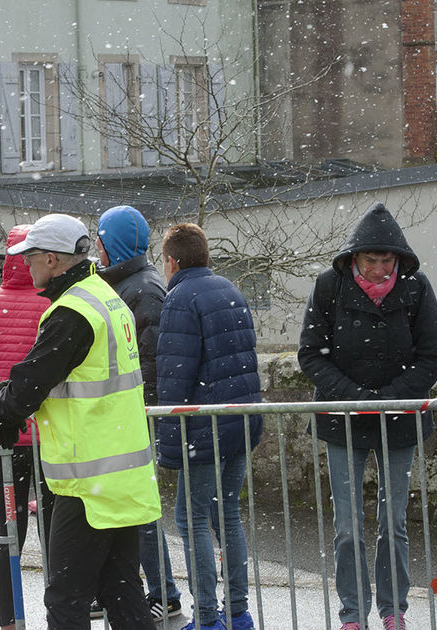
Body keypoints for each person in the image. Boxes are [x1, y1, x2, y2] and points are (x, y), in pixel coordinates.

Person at [0, 212, 161, 629]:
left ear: (52, 259)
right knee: (122, 594)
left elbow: (32, 381)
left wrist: (2, 407)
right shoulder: (105, 297)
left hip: (89, 483)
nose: (25, 264)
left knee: (66, 598)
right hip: (123, 478)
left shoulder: (72, 311)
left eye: (30, 256)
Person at [297, 202, 437, 630]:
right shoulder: (329, 286)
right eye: (371, 260)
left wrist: (389, 399)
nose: (381, 269)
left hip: (399, 419)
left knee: (392, 521)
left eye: (388, 260)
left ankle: (393, 609)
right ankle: (351, 613)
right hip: (342, 419)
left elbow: (432, 356)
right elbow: (310, 354)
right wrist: (358, 397)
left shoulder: (417, 289)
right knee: (347, 526)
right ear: (354, 259)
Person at [157, 223, 264, 630]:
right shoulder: (230, 289)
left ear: (171, 261)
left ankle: (205, 617)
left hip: (206, 425)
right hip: (242, 419)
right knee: (227, 513)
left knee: (192, 518)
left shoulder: (180, 298)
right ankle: (237, 611)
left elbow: (175, 376)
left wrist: (169, 444)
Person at [0, 224, 55, 630]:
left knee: (8, 536)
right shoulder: (54, 303)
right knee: (58, 534)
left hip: (4, 437)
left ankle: (10, 622)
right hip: (51, 435)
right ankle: (62, 614)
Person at [94, 204, 182, 621]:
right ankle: (136, 589)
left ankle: (163, 591)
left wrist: (133, 411)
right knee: (129, 508)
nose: (96, 247)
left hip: (134, 416)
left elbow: (150, 360)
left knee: (137, 509)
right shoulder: (130, 283)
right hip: (130, 414)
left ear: (112, 244)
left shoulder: (140, 288)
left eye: (100, 239)